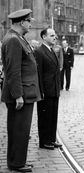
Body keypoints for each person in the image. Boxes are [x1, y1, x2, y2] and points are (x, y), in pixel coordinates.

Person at [1, 9, 41, 172]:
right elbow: (13, 70)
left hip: (25, 93)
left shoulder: (18, 38)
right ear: (21, 22)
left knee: (22, 130)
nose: (30, 24)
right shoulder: (13, 40)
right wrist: (18, 96)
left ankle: (18, 161)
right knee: (19, 129)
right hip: (21, 95)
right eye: (28, 21)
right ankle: (16, 163)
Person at [34, 28, 62, 150]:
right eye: (51, 35)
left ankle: (51, 138)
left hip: (54, 89)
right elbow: (38, 73)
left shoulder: (51, 50)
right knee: (45, 116)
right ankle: (44, 141)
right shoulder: (40, 52)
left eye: (55, 35)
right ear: (44, 37)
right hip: (45, 91)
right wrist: (41, 91)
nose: (54, 37)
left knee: (53, 116)